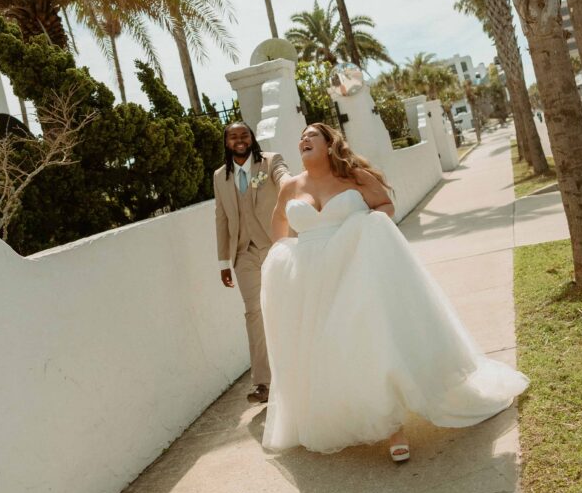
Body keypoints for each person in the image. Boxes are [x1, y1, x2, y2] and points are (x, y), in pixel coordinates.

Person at [261, 123, 529, 462]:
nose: (303, 139)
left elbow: (385, 206)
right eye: (300, 136)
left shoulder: (354, 178)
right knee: (329, 351)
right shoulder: (290, 186)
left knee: (369, 342)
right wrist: (286, 255)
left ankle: (393, 429)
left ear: (330, 145)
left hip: (357, 270)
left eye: (311, 135)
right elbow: (279, 227)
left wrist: (363, 228)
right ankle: (350, 417)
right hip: (312, 280)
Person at [214, 122, 290, 403]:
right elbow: (221, 218)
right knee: (253, 313)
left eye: (244, 135)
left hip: (275, 245)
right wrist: (224, 261)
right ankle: (263, 384)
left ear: (251, 137)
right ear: (227, 142)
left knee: (286, 305)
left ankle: (296, 371)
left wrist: (287, 183)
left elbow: (285, 179)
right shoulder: (220, 176)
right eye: (233, 136)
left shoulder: (271, 162)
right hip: (243, 254)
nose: (239, 140)